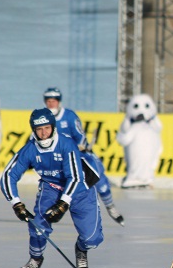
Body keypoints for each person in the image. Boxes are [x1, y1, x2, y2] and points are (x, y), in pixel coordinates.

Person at [0, 108, 104, 268]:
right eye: (39, 129)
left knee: (92, 238)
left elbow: (75, 177)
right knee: (37, 226)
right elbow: (8, 176)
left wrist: (63, 204)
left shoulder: (66, 144)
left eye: (47, 128)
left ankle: (81, 248)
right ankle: (35, 259)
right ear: (33, 130)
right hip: (51, 188)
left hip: (80, 189)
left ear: (53, 127)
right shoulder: (30, 149)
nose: (43, 133)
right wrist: (16, 203)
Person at [43, 87, 124, 226]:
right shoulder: (42, 118)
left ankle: (110, 206)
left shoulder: (69, 116)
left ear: (59, 101)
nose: (51, 104)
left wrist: (80, 146)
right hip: (57, 158)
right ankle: (52, 212)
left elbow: (80, 136)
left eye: (53, 101)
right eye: (48, 101)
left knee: (98, 175)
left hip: (77, 154)